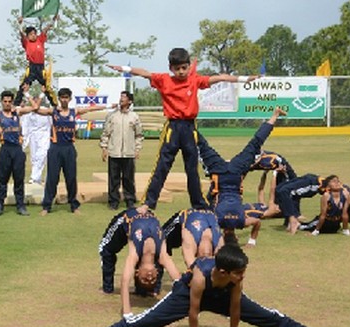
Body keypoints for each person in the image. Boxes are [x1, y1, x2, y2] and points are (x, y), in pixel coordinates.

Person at [82, 244, 341, 327]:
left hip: (222, 294)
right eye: (239, 273)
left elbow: (236, 308)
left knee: (266, 315)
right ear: (223, 271)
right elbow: (193, 311)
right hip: (186, 294)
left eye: (243, 272)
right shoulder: (200, 276)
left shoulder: (235, 278)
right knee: (147, 320)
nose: (243, 276)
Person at [108, 49, 258, 214]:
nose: (181, 72)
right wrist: (125, 69)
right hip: (172, 129)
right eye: (177, 68)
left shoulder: (194, 80)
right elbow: (145, 73)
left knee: (192, 169)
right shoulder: (164, 80)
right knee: (161, 167)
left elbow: (220, 77)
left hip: (189, 129)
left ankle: (199, 205)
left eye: (184, 68)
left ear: (188, 67)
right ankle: (148, 203)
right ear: (171, 68)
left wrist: (244, 79)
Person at [196, 107, 286, 247]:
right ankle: (184, 121)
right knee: (201, 144)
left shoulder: (241, 222)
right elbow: (203, 228)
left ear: (236, 237)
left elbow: (257, 222)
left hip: (236, 173)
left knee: (255, 143)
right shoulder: (216, 222)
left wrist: (252, 241)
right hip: (220, 173)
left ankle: (275, 115)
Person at [35, 87, 107, 215]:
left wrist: (108, 106)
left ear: (70, 99)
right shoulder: (53, 111)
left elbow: (90, 108)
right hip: (55, 148)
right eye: (62, 97)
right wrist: (42, 93)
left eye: (66, 97)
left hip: (69, 148)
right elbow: (36, 109)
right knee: (52, 178)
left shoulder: (74, 111)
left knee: (71, 178)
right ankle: (46, 206)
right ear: (59, 98)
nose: (64, 100)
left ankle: (74, 206)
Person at [100, 91, 143, 210]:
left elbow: (139, 135)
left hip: (129, 153)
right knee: (113, 179)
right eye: (121, 97)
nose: (121, 99)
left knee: (128, 179)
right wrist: (104, 148)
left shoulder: (134, 117)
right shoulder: (112, 115)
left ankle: (130, 200)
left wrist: (137, 149)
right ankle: (113, 201)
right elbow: (106, 133)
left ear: (130, 101)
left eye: (124, 97)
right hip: (114, 152)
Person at [262, 174, 331, 234]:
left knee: (285, 191)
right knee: (279, 189)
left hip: (314, 183)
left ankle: (293, 219)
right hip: (312, 178)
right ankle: (291, 219)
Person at [13, 15, 58, 107]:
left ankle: (55, 105)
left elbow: (46, 29)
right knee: (24, 86)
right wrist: (20, 24)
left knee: (47, 86)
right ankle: (16, 105)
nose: (33, 35)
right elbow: (21, 34)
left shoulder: (40, 40)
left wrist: (53, 21)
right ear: (28, 36)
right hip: (32, 67)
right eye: (31, 34)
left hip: (41, 67)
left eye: (34, 33)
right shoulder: (26, 42)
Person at [20, 93, 52, 185]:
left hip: (44, 135)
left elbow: (52, 123)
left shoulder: (45, 110)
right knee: (34, 158)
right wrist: (24, 140)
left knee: (41, 155)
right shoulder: (28, 113)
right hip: (33, 136)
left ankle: (34, 177)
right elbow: (25, 126)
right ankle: (37, 179)